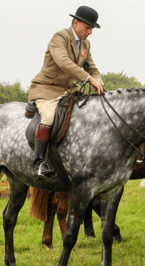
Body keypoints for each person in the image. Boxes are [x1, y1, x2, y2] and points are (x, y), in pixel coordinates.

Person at [28, 6, 104, 179]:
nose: (90, 32)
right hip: (47, 88)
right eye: (87, 27)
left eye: (92, 28)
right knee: (48, 117)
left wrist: (97, 78)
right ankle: (39, 163)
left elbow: (91, 67)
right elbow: (63, 62)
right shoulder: (59, 37)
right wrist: (88, 79)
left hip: (68, 90)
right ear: (75, 23)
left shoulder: (85, 44)